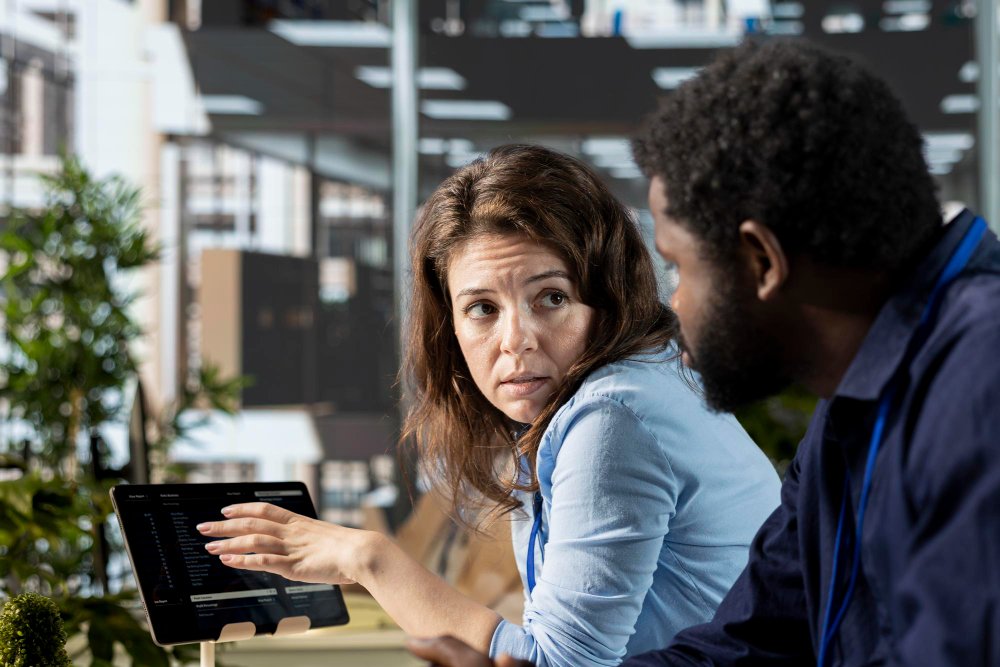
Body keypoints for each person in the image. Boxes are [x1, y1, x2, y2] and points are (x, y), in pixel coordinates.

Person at [407, 39, 1000, 667]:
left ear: (761, 262)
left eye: (681, 269)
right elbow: (751, 643)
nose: (675, 309)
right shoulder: (852, 411)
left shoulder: (977, 387)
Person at [195, 144, 781, 666]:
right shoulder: (642, 384)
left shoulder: (613, 418)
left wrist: (367, 557)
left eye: (551, 297)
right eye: (482, 308)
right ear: (450, 326)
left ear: (606, 299)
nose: (515, 340)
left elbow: (556, 666)